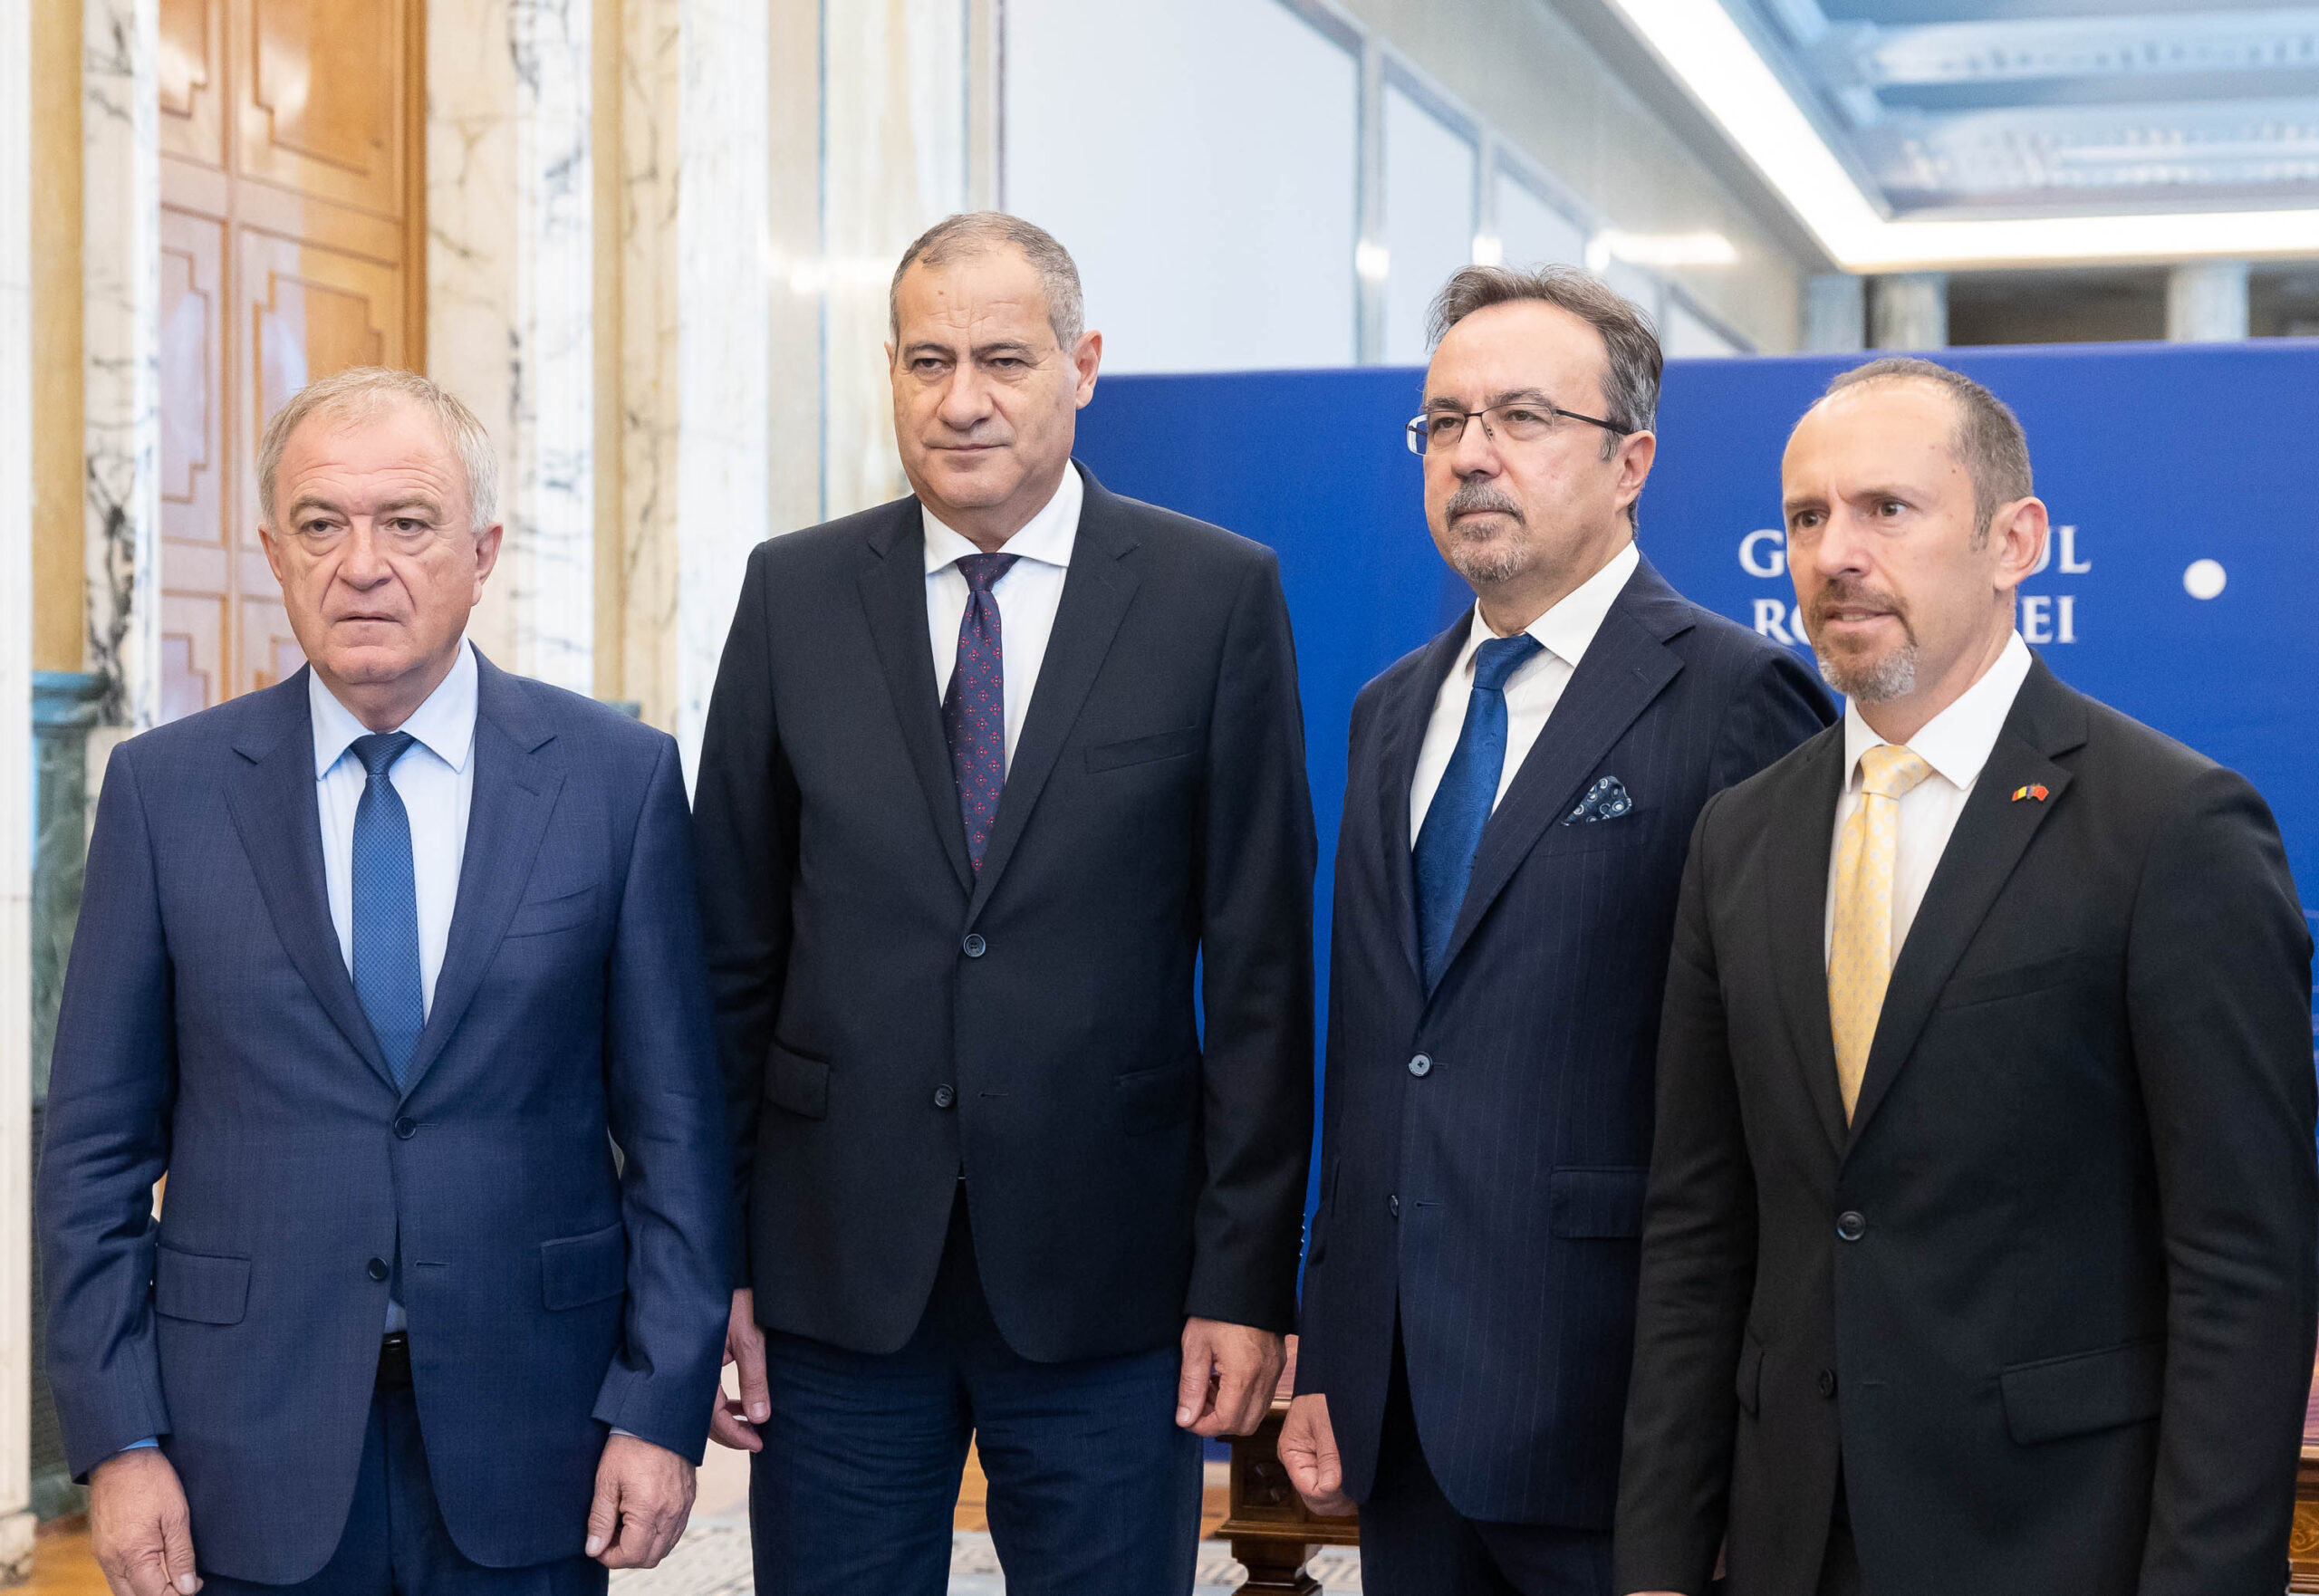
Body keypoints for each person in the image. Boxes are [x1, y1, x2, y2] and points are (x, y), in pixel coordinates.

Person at [1616, 358, 2317, 1596]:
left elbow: (2244, 1269)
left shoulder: (2173, 828)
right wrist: (1661, 1564)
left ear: (2015, 542)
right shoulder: (1740, 835)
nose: (1836, 554)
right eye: (1806, 517)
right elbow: (1698, 1230)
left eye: (1888, 508)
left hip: (2058, 1543)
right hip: (1791, 1541)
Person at [690, 212, 1316, 1595]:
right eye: (927, 361)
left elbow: (1262, 972)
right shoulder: (793, 593)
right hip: (833, 1280)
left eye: (1003, 360)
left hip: (1114, 1285)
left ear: (1081, 366)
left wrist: (1243, 1278)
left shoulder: (1214, 597)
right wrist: (709, 1259)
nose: (961, 399)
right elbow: (727, 955)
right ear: (891, 374)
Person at [37, 368, 732, 1596]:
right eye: (321, 524)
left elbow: (679, 1134)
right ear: (274, 554)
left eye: (407, 522)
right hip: (240, 1446)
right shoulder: (165, 793)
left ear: (484, 552)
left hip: (541, 1431)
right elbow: (92, 1152)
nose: (362, 565)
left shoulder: (614, 782)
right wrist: (119, 1436)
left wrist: (659, 1406)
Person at [1279, 264, 1832, 1595]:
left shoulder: (1740, 698)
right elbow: (1382, 1056)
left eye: (1523, 417)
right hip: (1399, 1412)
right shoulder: (1387, 710)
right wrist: (1331, 1338)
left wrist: (1738, 1431)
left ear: (1631, 462)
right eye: (1444, 422)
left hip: (1619, 1421)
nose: (1472, 454)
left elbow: (1785, 1100)